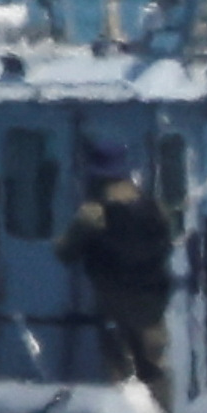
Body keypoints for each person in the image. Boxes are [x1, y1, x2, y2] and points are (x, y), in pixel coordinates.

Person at [60, 164, 181, 399]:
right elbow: (171, 241)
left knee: (120, 370)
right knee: (155, 368)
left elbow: (65, 252)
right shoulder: (157, 207)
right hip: (152, 305)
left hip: (114, 305)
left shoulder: (94, 212)